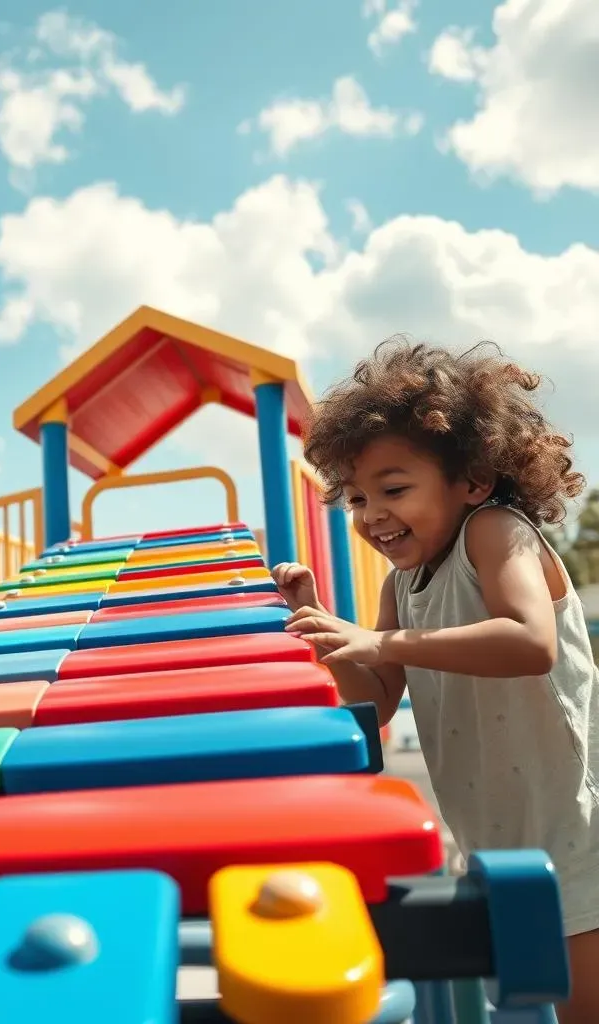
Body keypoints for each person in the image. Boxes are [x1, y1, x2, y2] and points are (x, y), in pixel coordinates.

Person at [270, 337, 599, 1024]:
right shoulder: (401, 585)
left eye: (394, 488)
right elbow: (377, 701)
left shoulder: (495, 530)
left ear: (471, 479)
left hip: (574, 821)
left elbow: (530, 641)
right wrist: (322, 630)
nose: (371, 514)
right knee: (535, 998)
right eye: (357, 498)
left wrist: (380, 638)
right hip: (494, 830)